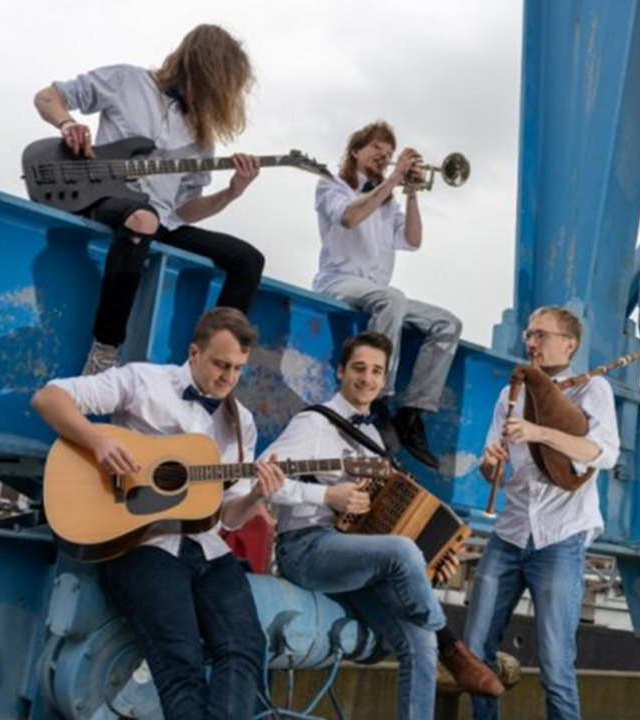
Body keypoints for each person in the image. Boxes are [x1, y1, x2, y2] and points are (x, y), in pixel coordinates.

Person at [31, 307, 285, 720]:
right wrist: (97, 442)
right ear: (194, 352)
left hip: (206, 548)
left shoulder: (243, 424)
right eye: (221, 364)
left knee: (245, 649)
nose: (229, 378)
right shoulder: (144, 381)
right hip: (139, 543)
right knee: (180, 665)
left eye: (239, 368)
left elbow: (231, 517)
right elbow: (49, 398)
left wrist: (257, 493)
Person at [253, 331, 503, 720]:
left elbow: (380, 521)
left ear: (384, 380)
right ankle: (453, 645)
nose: (367, 379)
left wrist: (433, 562)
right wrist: (324, 497)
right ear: (340, 371)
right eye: (358, 368)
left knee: (418, 641)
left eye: (376, 372)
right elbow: (261, 479)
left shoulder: (372, 437)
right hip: (305, 548)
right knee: (403, 552)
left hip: (352, 557)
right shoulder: (313, 423)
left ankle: (437, 647)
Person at [34, 24, 265, 374]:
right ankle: (105, 350)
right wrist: (67, 123)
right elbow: (47, 95)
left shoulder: (202, 136)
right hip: (105, 198)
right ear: (200, 66)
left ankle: (210, 363)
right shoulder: (127, 81)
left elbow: (184, 210)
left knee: (248, 259)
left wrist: (232, 193)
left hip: (162, 220)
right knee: (143, 220)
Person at [464, 306, 621, 720]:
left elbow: (602, 453)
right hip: (510, 532)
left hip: (560, 538)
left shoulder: (592, 389)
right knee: (475, 652)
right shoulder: (509, 394)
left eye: (541, 335)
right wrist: (490, 464)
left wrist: (537, 432)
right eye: (529, 335)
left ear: (569, 344)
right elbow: (493, 466)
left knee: (555, 664)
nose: (531, 342)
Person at [312, 120, 462, 469]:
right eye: (377, 148)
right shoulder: (332, 185)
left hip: (377, 292)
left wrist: (409, 192)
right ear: (355, 151)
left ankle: (412, 414)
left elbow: (412, 240)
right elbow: (349, 218)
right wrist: (394, 179)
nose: (384, 156)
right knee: (391, 298)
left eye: (389, 153)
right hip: (338, 282)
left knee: (447, 323)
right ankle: (380, 397)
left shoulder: (387, 203)